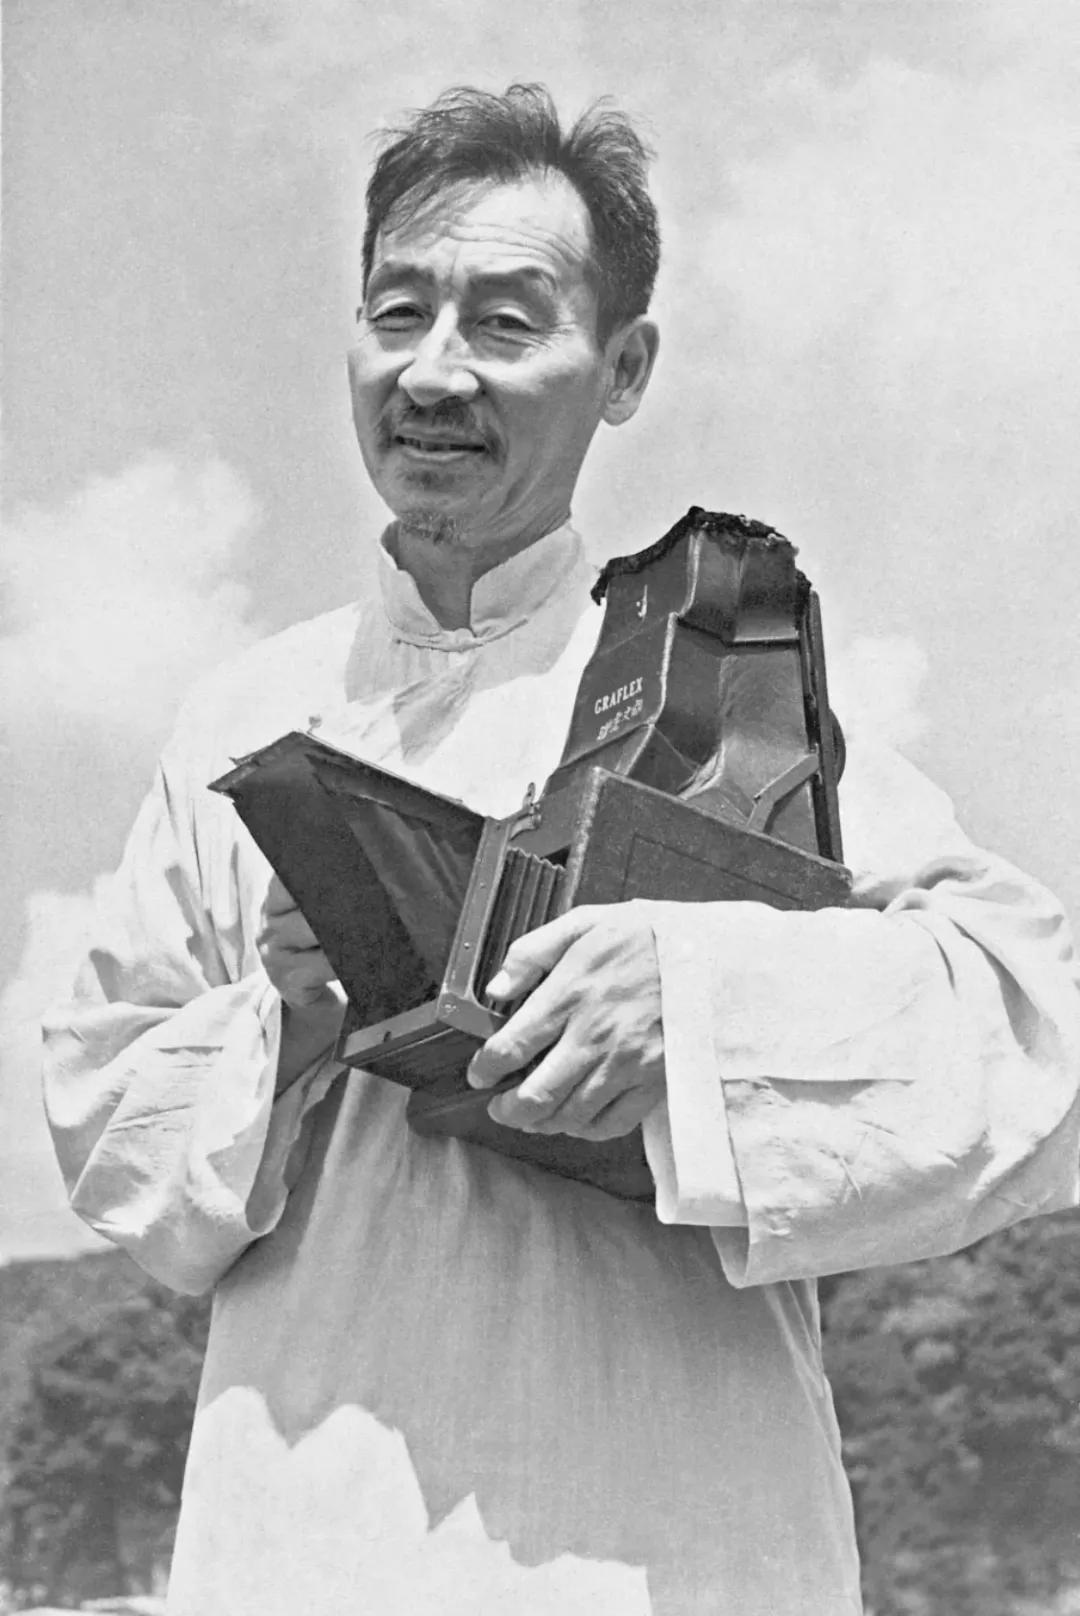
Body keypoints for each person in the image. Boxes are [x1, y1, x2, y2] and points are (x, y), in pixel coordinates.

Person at [43, 84, 1080, 1616]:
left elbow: (1033, 1034)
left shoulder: (718, 677)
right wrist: (292, 1021)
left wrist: (694, 999)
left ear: (624, 368)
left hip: (663, 1553)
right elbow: (103, 1119)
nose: (435, 371)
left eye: (508, 322)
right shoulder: (240, 717)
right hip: (297, 1541)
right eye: (400, 312)